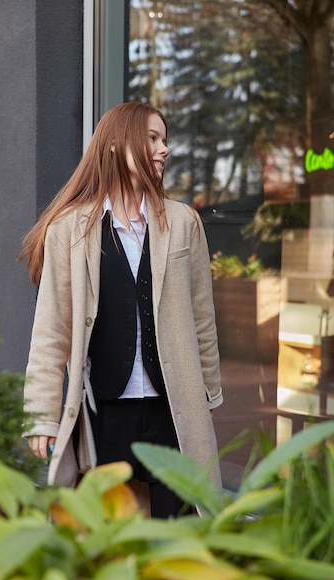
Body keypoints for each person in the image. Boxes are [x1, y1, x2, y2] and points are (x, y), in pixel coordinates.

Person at [20, 101, 223, 518]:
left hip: (173, 405)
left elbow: (203, 315)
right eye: (152, 139)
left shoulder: (184, 222)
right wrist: (41, 415)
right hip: (105, 407)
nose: (164, 149)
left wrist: (209, 392)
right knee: (108, 525)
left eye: (165, 140)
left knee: (180, 522)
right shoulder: (70, 229)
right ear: (116, 145)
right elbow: (52, 330)